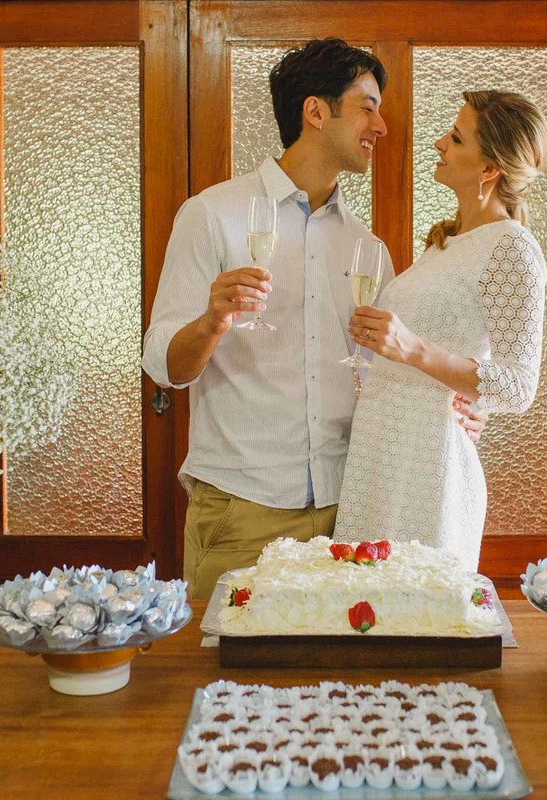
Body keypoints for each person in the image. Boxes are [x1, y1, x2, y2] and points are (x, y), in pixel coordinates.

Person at [142, 40, 488, 600]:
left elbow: (383, 371)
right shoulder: (212, 216)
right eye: (367, 106)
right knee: (225, 680)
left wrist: (452, 410)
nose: (382, 124)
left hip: (348, 515)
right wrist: (211, 320)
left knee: (333, 681)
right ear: (316, 111)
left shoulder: (367, 248)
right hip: (240, 513)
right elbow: (166, 366)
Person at [334, 90, 547, 570]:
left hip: (430, 472)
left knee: (417, 623)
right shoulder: (449, 244)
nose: (439, 143)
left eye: (455, 138)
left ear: (489, 169)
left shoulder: (512, 249)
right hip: (383, 461)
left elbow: (518, 387)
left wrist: (413, 349)